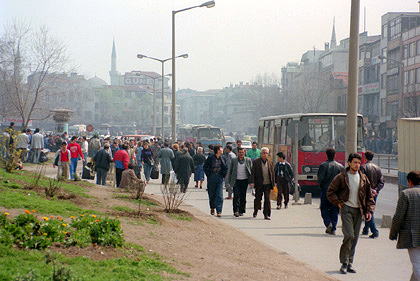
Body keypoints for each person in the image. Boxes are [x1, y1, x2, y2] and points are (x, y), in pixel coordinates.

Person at [327, 153, 375, 275]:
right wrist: (338, 203)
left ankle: (349, 263)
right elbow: (330, 192)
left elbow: (369, 196)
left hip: (359, 211)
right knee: (349, 235)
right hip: (346, 208)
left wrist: (369, 210)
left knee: (355, 238)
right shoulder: (341, 177)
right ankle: (343, 263)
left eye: (359, 163)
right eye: (354, 162)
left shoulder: (363, 178)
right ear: (349, 163)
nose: (357, 165)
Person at [390, 171, 420, 281]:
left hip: (412, 236)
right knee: (417, 268)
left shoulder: (406, 193)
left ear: (410, 181)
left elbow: (398, 217)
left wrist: (393, 233)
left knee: (417, 266)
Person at [317, 148, 344, 235]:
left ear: (326, 154)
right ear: (335, 155)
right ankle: (334, 227)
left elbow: (320, 179)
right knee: (334, 209)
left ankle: (328, 223)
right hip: (336, 192)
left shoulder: (323, 165)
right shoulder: (340, 166)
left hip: (326, 190)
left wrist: (321, 187)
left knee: (324, 208)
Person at [361, 151, 384, 239]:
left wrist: (369, 190)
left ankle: (374, 231)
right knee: (370, 209)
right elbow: (381, 182)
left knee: (368, 211)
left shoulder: (363, 167)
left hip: (367, 193)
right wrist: (376, 190)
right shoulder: (378, 168)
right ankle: (366, 229)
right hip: (375, 192)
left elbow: (362, 182)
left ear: (365, 157)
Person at [250, 147, 275, 220]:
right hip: (259, 184)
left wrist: (273, 183)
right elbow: (253, 173)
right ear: (261, 154)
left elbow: (272, 173)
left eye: (266, 153)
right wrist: (252, 182)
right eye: (263, 153)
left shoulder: (270, 162)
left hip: (267, 184)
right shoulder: (256, 162)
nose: (264, 154)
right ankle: (256, 211)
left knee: (267, 199)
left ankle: (266, 214)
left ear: (268, 154)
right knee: (258, 199)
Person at [227, 147, 252, 217]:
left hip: (245, 180)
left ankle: (241, 210)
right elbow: (230, 171)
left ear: (244, 153)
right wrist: (229, 181)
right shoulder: (234, 160)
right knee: (236, 196)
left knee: (243, 196)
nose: (241, 154)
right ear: (237, 153)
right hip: (236, 181)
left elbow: (251, 170)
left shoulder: (248, 160)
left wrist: (252, 181)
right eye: (240, 152)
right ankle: (236, 211)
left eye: (242, 152)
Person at [204, 145, 227, 217]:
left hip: (219, 178)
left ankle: (219, 210)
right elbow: (205, 167)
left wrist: (223, 175)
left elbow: (225, 168)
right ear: (217, 150)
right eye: (221, 149)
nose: (222, 150)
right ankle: (212, 207)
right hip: (212, 178)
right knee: (212, 194)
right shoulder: (210, 158)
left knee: (219, 195)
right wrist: (209, 174)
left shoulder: (223, 158)